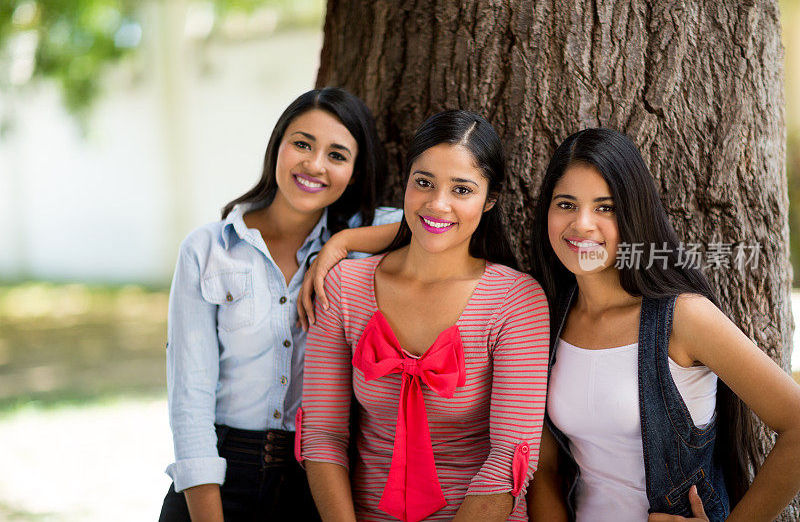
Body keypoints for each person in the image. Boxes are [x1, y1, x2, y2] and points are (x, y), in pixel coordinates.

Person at [526, 128, 800, 522]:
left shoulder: (683, 318)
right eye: (566, 204)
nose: (582, 224)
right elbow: (545, 471)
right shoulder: (548, 317)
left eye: (606, 207)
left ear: (634, 212)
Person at [158, 87, 403, 522]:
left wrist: (341, 243)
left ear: (355, 169)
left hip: (316, 483)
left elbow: (436, 222)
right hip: (216, 478)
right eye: (302, 143)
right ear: (278, 146)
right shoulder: (208, 250)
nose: (314, 164)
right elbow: (189, 401)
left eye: (337, 155)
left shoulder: (364, 244)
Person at [297, 110, 551, 522]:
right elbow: (322, 436)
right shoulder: (344, 287)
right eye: (424, 183)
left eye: (462, 189)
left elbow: (510, 457)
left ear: (490, 200)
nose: (437, 204)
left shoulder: (515, 301)